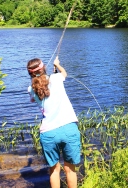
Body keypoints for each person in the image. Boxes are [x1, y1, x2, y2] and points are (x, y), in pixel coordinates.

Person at [27, 56, 81, 188]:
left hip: (48, 133)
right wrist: (57, 65)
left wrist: (49, 77)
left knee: (54, 170)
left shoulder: (30, 89)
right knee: (70, 169)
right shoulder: (56, 78)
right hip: (68, 128)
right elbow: (64, 74)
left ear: (30, 73)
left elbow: (41, 92)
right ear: (43, 67)